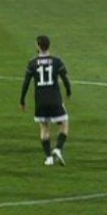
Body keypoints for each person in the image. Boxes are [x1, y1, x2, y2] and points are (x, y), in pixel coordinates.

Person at [19, 35, 72, 166]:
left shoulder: (32, 63)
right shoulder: (56, 61)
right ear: (49, 46)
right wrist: (68, 91)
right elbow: (65, 78)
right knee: (63, 124)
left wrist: (22, 100)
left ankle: (48, 157)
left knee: (44, 128)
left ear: (38, 46)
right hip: (54, 99)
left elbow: (26, 83)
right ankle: (58, 149)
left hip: (40, 101)